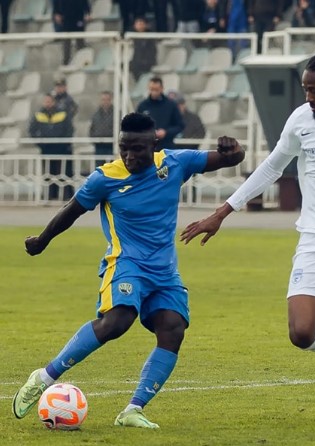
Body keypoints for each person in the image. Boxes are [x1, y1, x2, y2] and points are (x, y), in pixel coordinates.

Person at [180, 53, 315, 426]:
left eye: (314, 91)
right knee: (301, 333)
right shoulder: (301, 120)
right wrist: (222, 212)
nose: (308, 98)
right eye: (305, 90)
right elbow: (272, 166)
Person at [12, 112, 245, 429]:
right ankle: (44, 377)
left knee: (173, 328)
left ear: (154, 144)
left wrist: (234, 149)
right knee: (117, 321)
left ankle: (133, 410)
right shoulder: (105, 178)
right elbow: (71, 211)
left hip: (164, 271)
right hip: (126, 263)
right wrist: (42, 240)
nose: (129, 156)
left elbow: (230, 158)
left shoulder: (175, 163)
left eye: (137, 149)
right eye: (124, 148)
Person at [28, 93, 74, 201]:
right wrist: (40, 143)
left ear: (54, 102)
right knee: (48, 173)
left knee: (62, 172)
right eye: (46, 101)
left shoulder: (62, 114)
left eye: (49, 101)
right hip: (46, 149)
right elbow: (32, 131)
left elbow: (69, 130)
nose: (47, 104)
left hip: (61, 149)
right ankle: (49, 196)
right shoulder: (39, 115)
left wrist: (64, 143)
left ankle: (64, 196)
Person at [136, 77, 184, 150]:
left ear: (162, 89)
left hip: (167, 147)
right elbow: (136, 126)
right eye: (152, 89)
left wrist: (166, 132)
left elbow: (180, 125)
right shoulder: (143, 106)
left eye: (156, 90)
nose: (154, 92)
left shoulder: (171, 105)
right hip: (147, 147)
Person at [53, 0, 91, 65]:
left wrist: (87, 12)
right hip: (66, 18)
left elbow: (85, 2)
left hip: (78, 16)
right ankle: (66, 63)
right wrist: (56, 12)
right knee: (66, 43)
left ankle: (81, 62)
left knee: (80, 42)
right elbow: (56, 2)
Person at [129, 16, 157, 82]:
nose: (139, 26)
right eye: (138, 24)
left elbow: (152, 51)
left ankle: (139, 82)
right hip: (135, 61)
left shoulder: (150, 37)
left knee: (136, 66)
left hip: (147, 61)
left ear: (146, 25)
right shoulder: (131, 36)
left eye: (141, 24)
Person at [89, 91, 114, 164]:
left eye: (107, 99)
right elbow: (92, 129)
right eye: (103, 99)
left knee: (112, 167)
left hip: (112, 145)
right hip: (99, 146)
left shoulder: (116, 113)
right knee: (99, 167)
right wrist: (94, 139)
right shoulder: (95, 114)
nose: (105, 102)